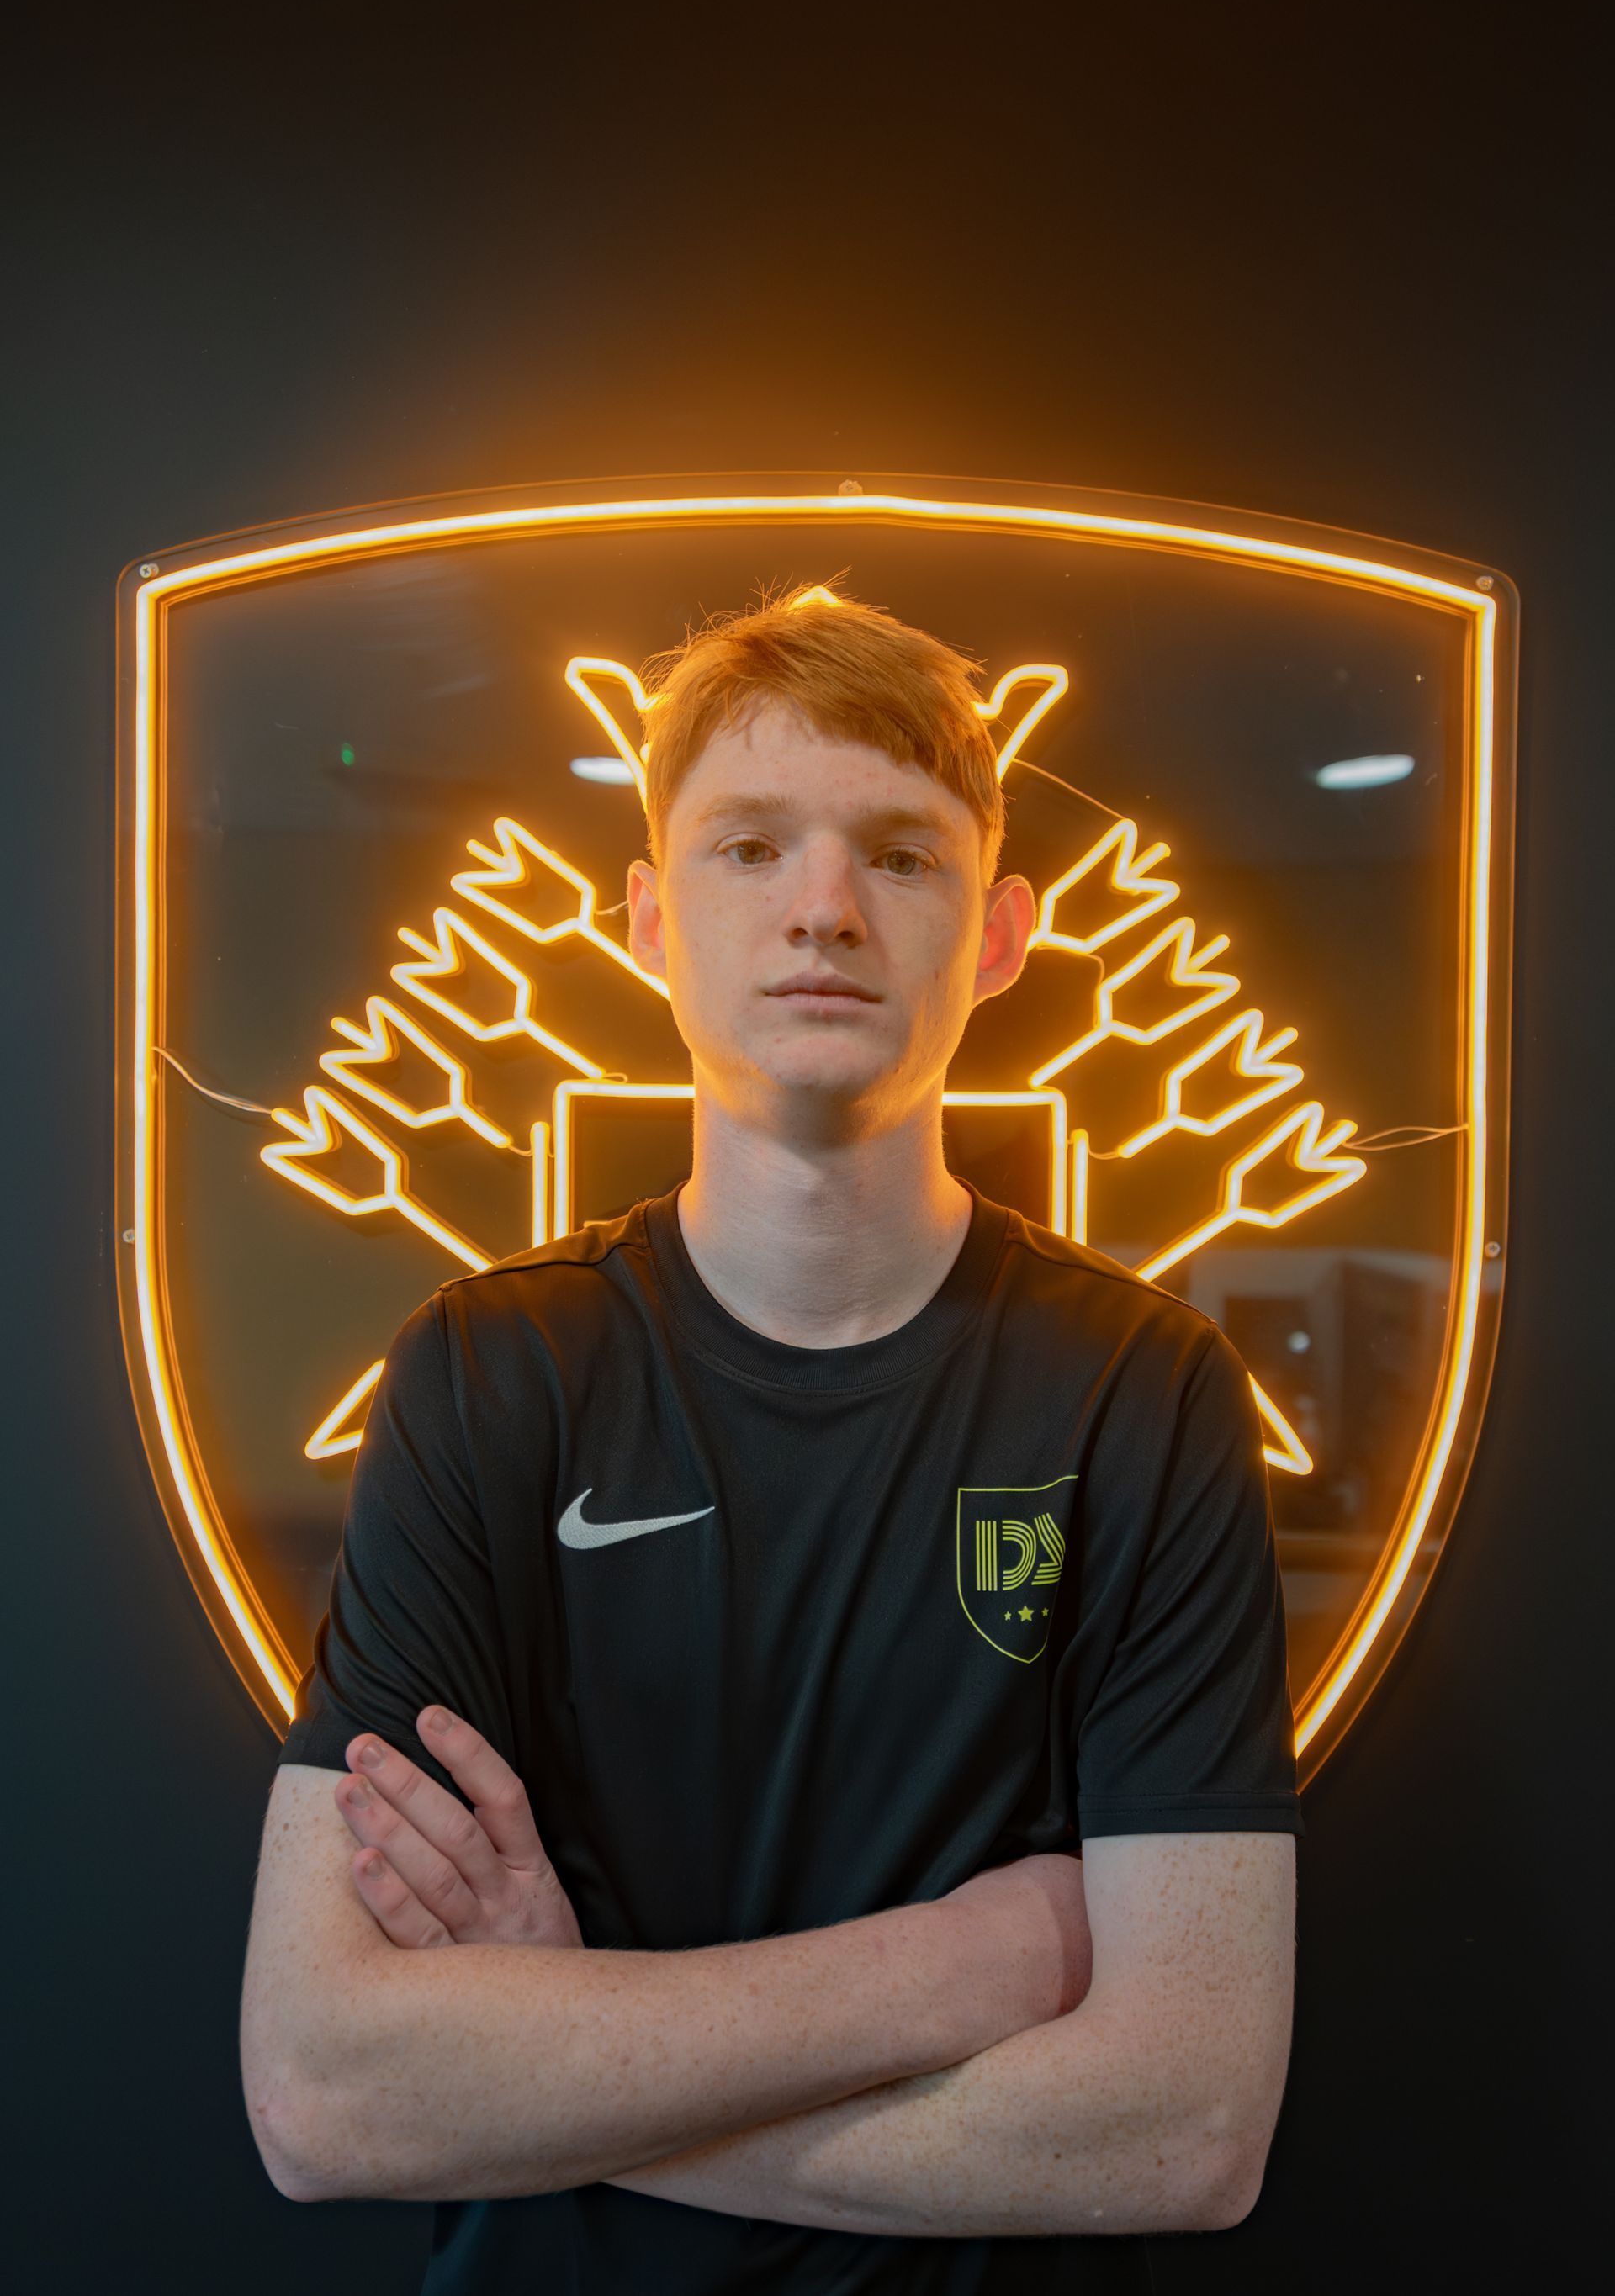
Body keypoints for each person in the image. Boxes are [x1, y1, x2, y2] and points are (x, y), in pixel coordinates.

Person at [241, 590, 1300, 2294]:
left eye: (900, 854)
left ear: (1005, 935)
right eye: (749, 850)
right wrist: (955, 1970)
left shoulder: (1141, 1390)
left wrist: (558, 2045)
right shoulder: (492, 1370)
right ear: (650, 926)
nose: (823, 909)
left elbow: (1185, 2129)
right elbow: (322, 2093)